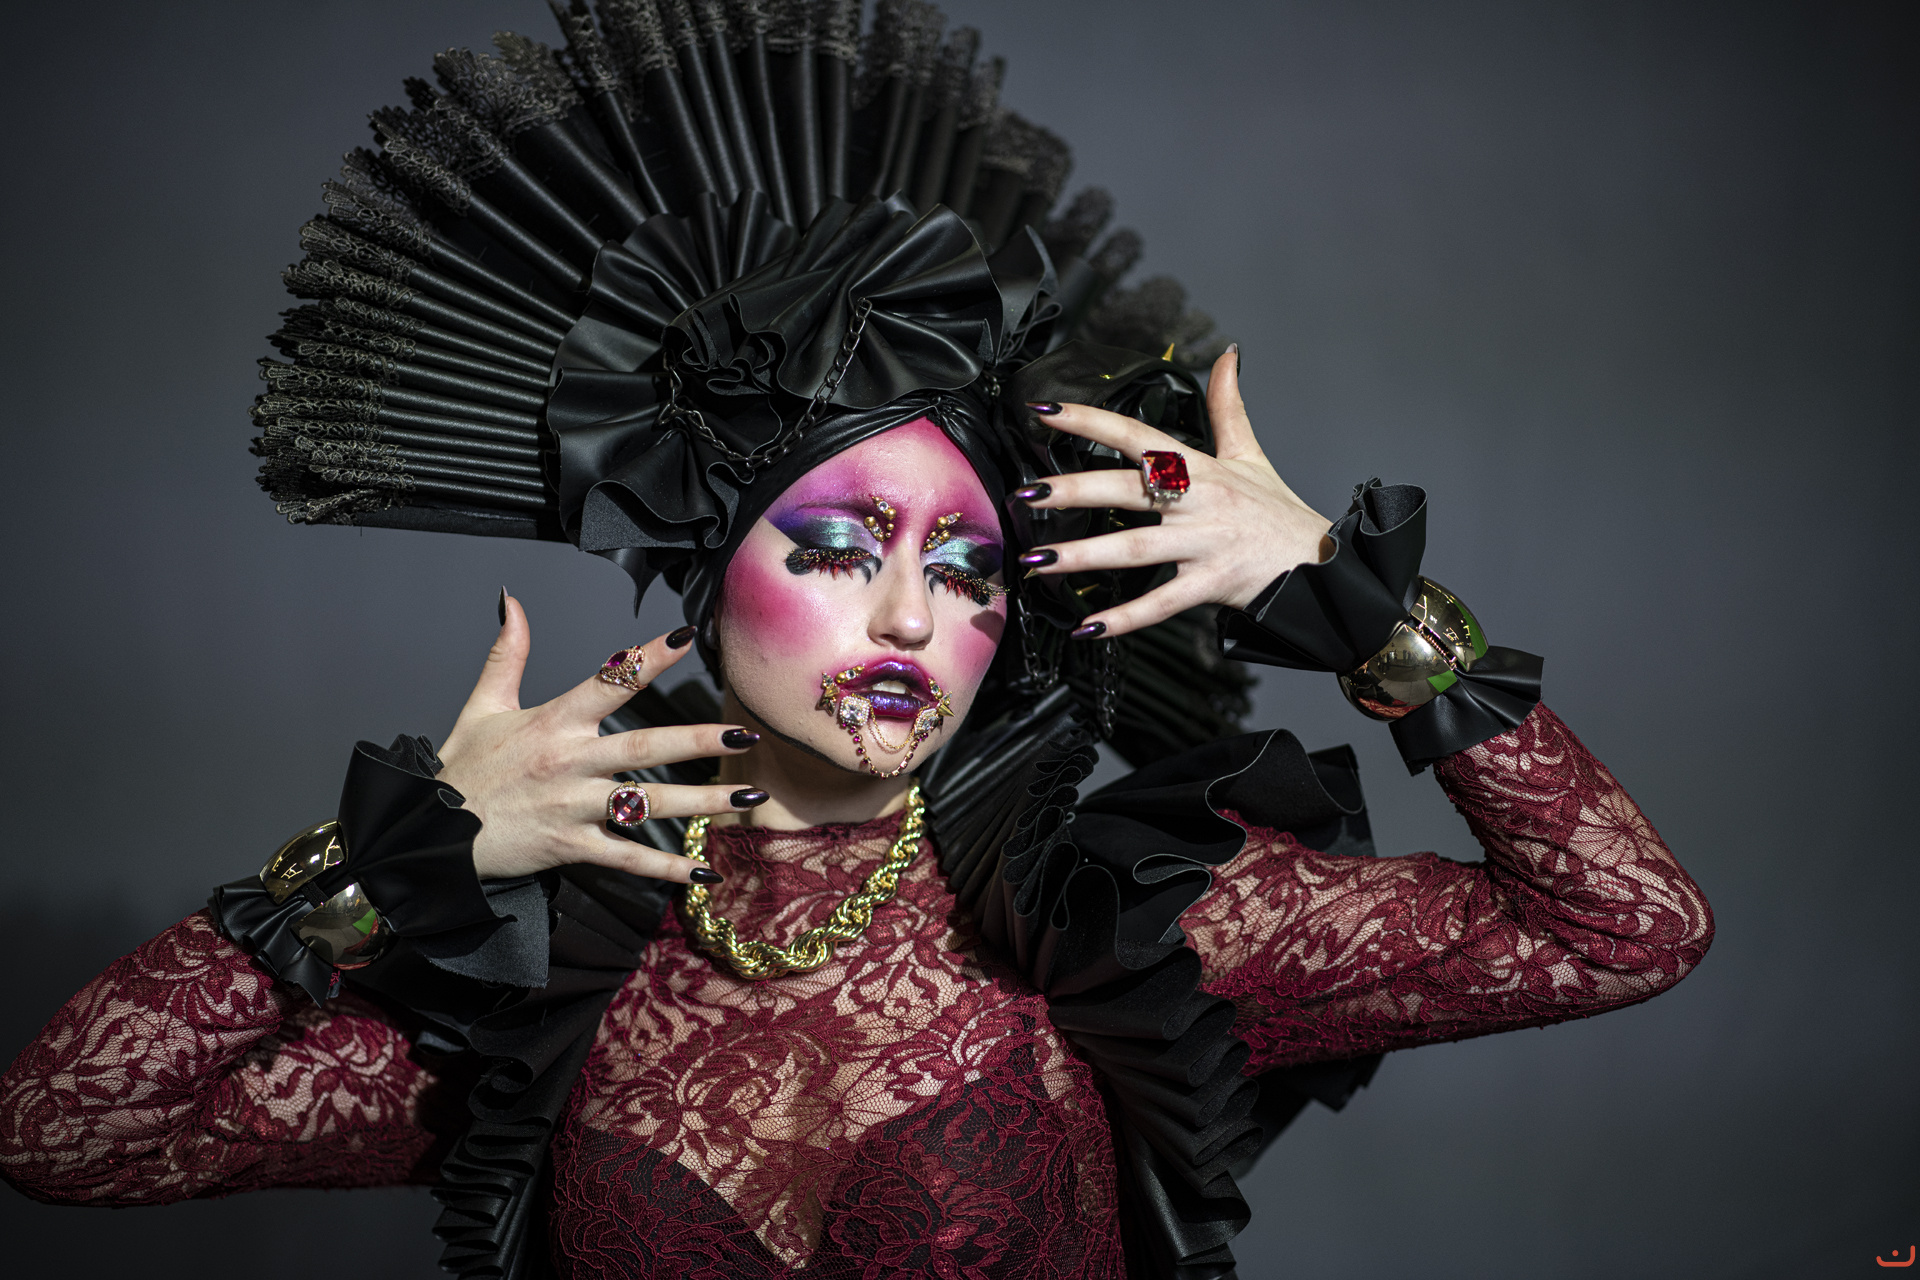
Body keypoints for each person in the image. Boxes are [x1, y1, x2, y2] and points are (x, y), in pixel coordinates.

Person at [0, 3, 1714, 1277]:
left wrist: (1355, 598)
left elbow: (1625, 930)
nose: (911, 613)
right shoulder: (550, 971)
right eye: (834, 548)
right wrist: (386, 866)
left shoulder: (1114, 923)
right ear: (702, 576)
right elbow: (66, 1138)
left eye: (970, 569)